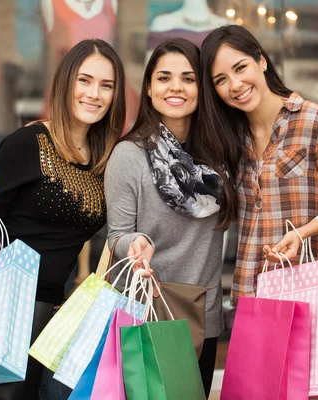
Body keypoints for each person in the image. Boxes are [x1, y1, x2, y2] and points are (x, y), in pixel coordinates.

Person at [0, 39, 126, 400]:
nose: (95, 94)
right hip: (1, 312)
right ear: (65, 84)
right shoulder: (27, 143)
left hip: (56, 317)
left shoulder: (106, 157)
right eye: (84, 80)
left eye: (106, 85)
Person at [195, 25, 318, 304]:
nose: (235, 85)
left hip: (316, 286)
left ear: (261, 61)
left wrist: (301, 233)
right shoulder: (230, 140)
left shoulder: (315, 121)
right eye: (221, 80)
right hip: (255, 289)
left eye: (240, 68)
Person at [105, 38, 226, 397]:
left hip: (203, 313)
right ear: (149, 88)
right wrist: (135, 243)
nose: (176, 87)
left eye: (188, 78)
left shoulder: (220, 158)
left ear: (201, 89)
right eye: (164, 77)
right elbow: (118, 235)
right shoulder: (129, 156)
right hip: (147, 311)